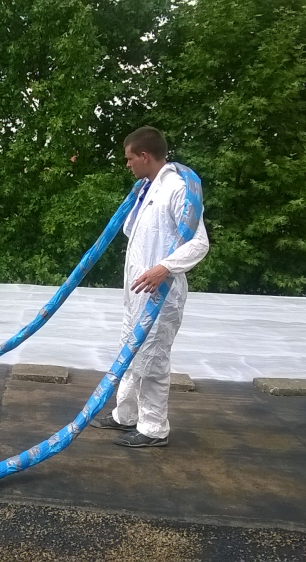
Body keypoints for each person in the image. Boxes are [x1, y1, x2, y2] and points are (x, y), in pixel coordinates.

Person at [90, 127, 209, 447]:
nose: (127, 164)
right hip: (137, 293)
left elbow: (199, 243)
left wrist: (164, 268)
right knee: (130, 354)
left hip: (161, 294)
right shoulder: (147, 188)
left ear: (145, 156)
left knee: (153, 361)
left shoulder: (178, 189)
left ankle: (154, 428)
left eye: (130, 158)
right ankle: (126, 415)